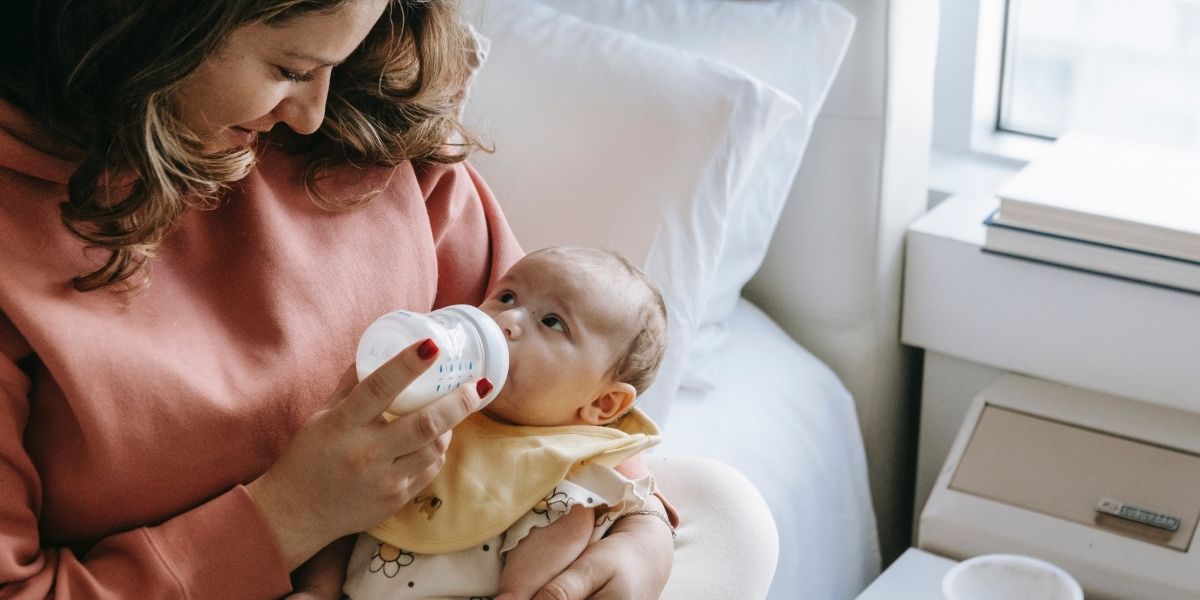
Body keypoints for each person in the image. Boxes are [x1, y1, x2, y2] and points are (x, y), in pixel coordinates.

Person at [0, 1, 685, 598]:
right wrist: (290, 517)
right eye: (291, 69)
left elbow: (570, 368)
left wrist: (642, 526)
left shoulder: (370, 124)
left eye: (342, 58)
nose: (312, 114)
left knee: (738, 515)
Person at [339, 246, 671, 600]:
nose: (507, 320)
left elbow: (559, 541)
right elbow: (340, 509)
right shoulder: (426, 406)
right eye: (507, 296)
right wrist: (316, 588)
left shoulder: (561, 474)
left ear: (601, 403)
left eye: (552, 322)